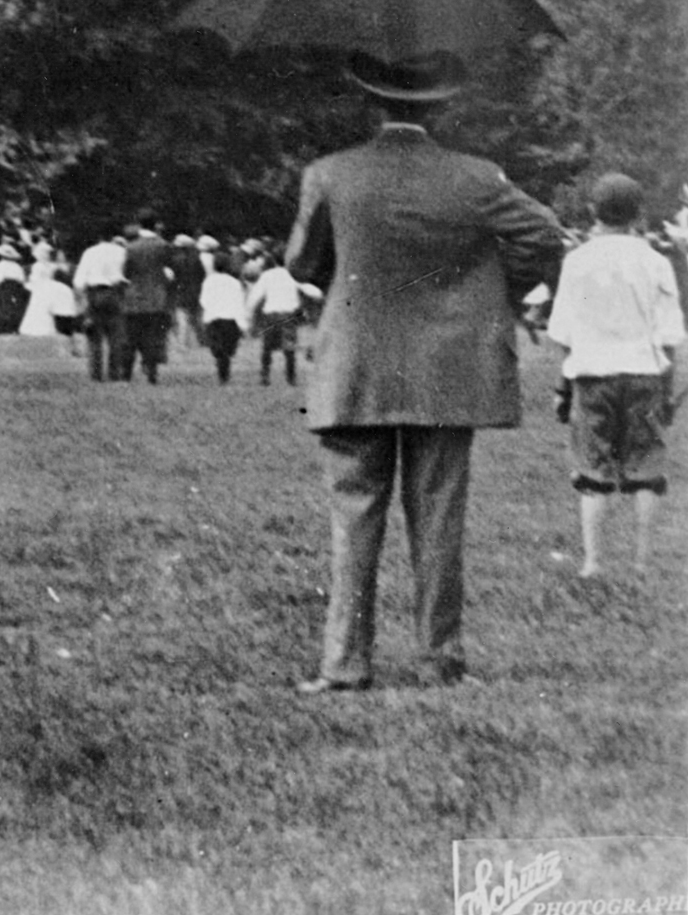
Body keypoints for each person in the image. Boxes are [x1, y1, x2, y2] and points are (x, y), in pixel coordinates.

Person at [287, 52, 562, 694]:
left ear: (371, 103)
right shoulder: (475, 177)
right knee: (439, 518)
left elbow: (301, 265)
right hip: (448, 367)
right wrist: (496, 290)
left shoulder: (329, 173)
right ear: (439, 107)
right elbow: (546, 235)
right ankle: (440, 661)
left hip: (356, 363)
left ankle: (344, 665)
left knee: (354, 517)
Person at [544, 172, 683, 581]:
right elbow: (669, 334)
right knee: (645, 467)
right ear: (639, 213)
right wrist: (667, 393)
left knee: (593, 467)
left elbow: (566, 334)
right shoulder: (655, 261)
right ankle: (641, 563)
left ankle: (594, 562)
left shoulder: (578, 261)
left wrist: (562, 387)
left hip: (593, 376)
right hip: (644, 374)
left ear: (592, 211)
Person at [117, 218, 173, 384]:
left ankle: (126, 375)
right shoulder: (163, 245)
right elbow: (169, 270)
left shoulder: (130, 247)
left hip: (134, 297)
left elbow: (126, 272)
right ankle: (152, 373)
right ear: (155, 225)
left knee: (130, 338)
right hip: (156, 297)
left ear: (140, 225)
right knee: (153, 337)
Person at [71, 230, 127, 382]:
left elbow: (78, 280)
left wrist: (81, 299)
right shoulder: (122, 251)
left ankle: (96, 375)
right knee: (116, 336)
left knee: (95, 337)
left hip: (95, 294)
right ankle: (115, 373)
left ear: (99, 236)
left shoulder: (90, 252)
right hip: (116, 293)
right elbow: (127, 275)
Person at [249, 253, 307, 387]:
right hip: (288, 315)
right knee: (289, 348)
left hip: (271, 316)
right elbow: (301, 292)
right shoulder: (290, 276)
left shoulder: (266, 276)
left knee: (267, 348)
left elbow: (255, 295)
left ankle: (265, 376)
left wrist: (248, 312)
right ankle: (291, 378)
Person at [199, 249, 250, 385]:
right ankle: (224, 375)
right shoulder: (234, 283)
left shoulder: (208, 282)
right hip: (230, 320)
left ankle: (222, 371)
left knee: (218, 348)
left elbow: (203, 301)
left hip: (213, 319)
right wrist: (243, 324)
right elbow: (239, 303)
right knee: (227, 350)